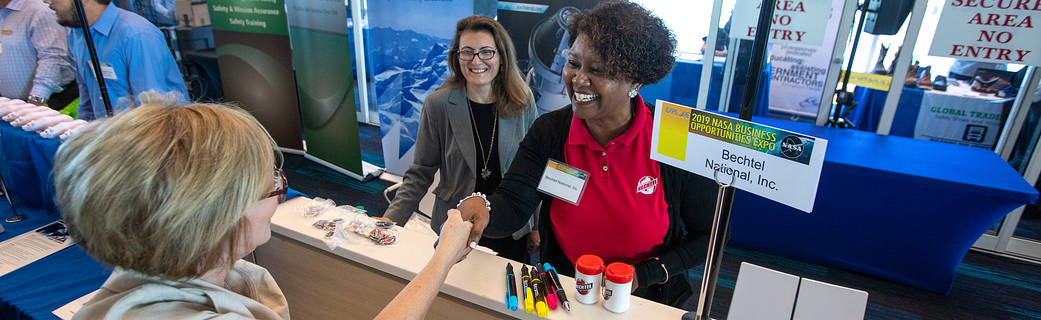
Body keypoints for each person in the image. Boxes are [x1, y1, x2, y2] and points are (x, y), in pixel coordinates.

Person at [53, 93, 475, 319]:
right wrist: (442, 258)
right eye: (271, 183)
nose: (279, 191)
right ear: (215, 214)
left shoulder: (130, 285)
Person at [458, 0, 717, 307]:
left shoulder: (672, 136)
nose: (578, 79)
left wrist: (646, 274)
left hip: (647, 297)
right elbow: (514, 203)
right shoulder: (551, 131)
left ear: (635, 80)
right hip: (568, 288)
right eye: (574, 63)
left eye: (598, 70)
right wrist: (486, 210)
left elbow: (710, 236)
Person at [382, 15, 539, 262]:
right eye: (467, 52)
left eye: (486, 52)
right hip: (455, 226)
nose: (476, 61)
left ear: (501, 56)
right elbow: (420, 172)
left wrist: (536, 225)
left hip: (510, 227)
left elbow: (533, 172)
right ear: (457, 57)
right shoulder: (438, 105)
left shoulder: (523, 102)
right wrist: (389, 222)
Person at [43, 0, 188, 120]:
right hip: (111, 139)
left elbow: (153, 110)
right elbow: (87, 100)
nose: (46, 1)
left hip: (147, 142)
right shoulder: (78, 35)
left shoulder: (136, 34)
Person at [0, 0, 76, 106]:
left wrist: (37, 99)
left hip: (48, 101)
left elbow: (53, 57)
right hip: (12, 105)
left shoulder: (40, 10)